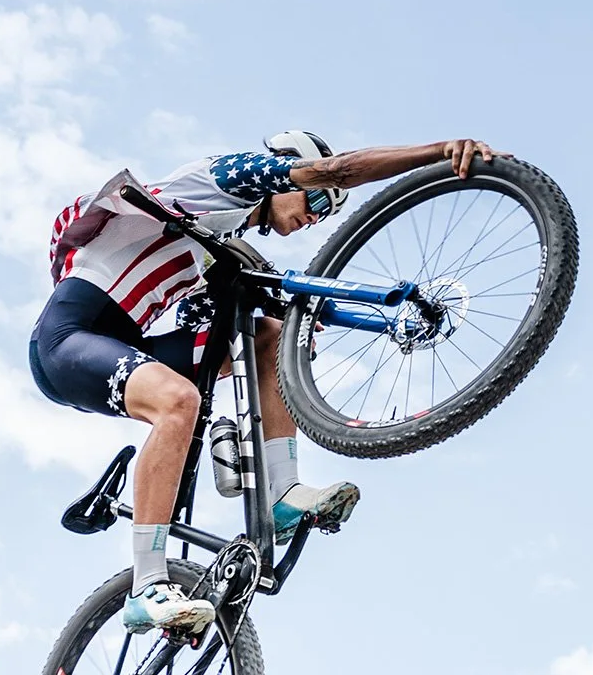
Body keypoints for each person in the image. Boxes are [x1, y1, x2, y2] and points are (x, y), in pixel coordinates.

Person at [30, 131, 495, 635]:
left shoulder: (222, 242)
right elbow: (337, 170)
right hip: (67, 340)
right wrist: (436, 154)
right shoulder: (219, 183)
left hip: (129, 344)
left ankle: (283, 494)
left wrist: (373, 323)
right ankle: (146, 586)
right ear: (290, 171)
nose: (314, 216)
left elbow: (230, 317)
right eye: (317, 201)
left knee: (271, 335)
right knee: (178, 400)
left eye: (325, 213)